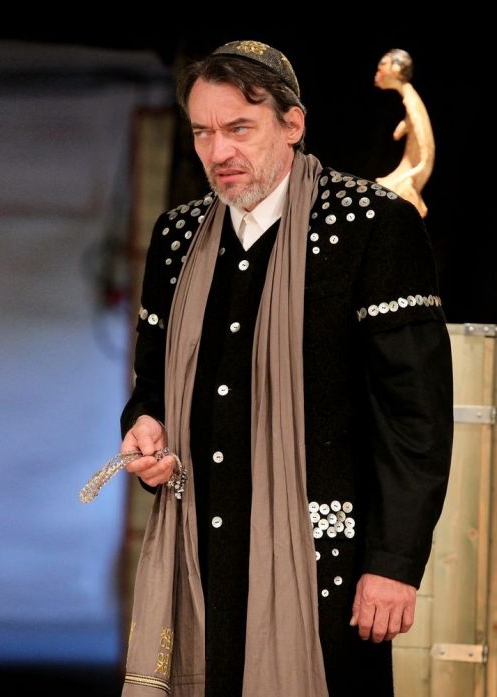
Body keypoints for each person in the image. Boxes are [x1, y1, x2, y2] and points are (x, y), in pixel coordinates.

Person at [119, 39, 453, 697]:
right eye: (202, 132)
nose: (218, 151)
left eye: (239, 128)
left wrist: (394, 563)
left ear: (292, 124)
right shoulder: (177, 237)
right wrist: (146, 426)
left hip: (328, 569)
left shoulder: (370, 225)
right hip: (200, 558)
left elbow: (415, 419)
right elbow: (151, 385)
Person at [374, 48, 435, 218]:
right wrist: (404, 125)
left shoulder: (412, 102)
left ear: (396, 69)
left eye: (383, 64)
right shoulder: (410, 99)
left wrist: (411, 174)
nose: (379, 70)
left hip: (413, 171)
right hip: (409, 169)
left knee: (386, 196)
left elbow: (426, 151)